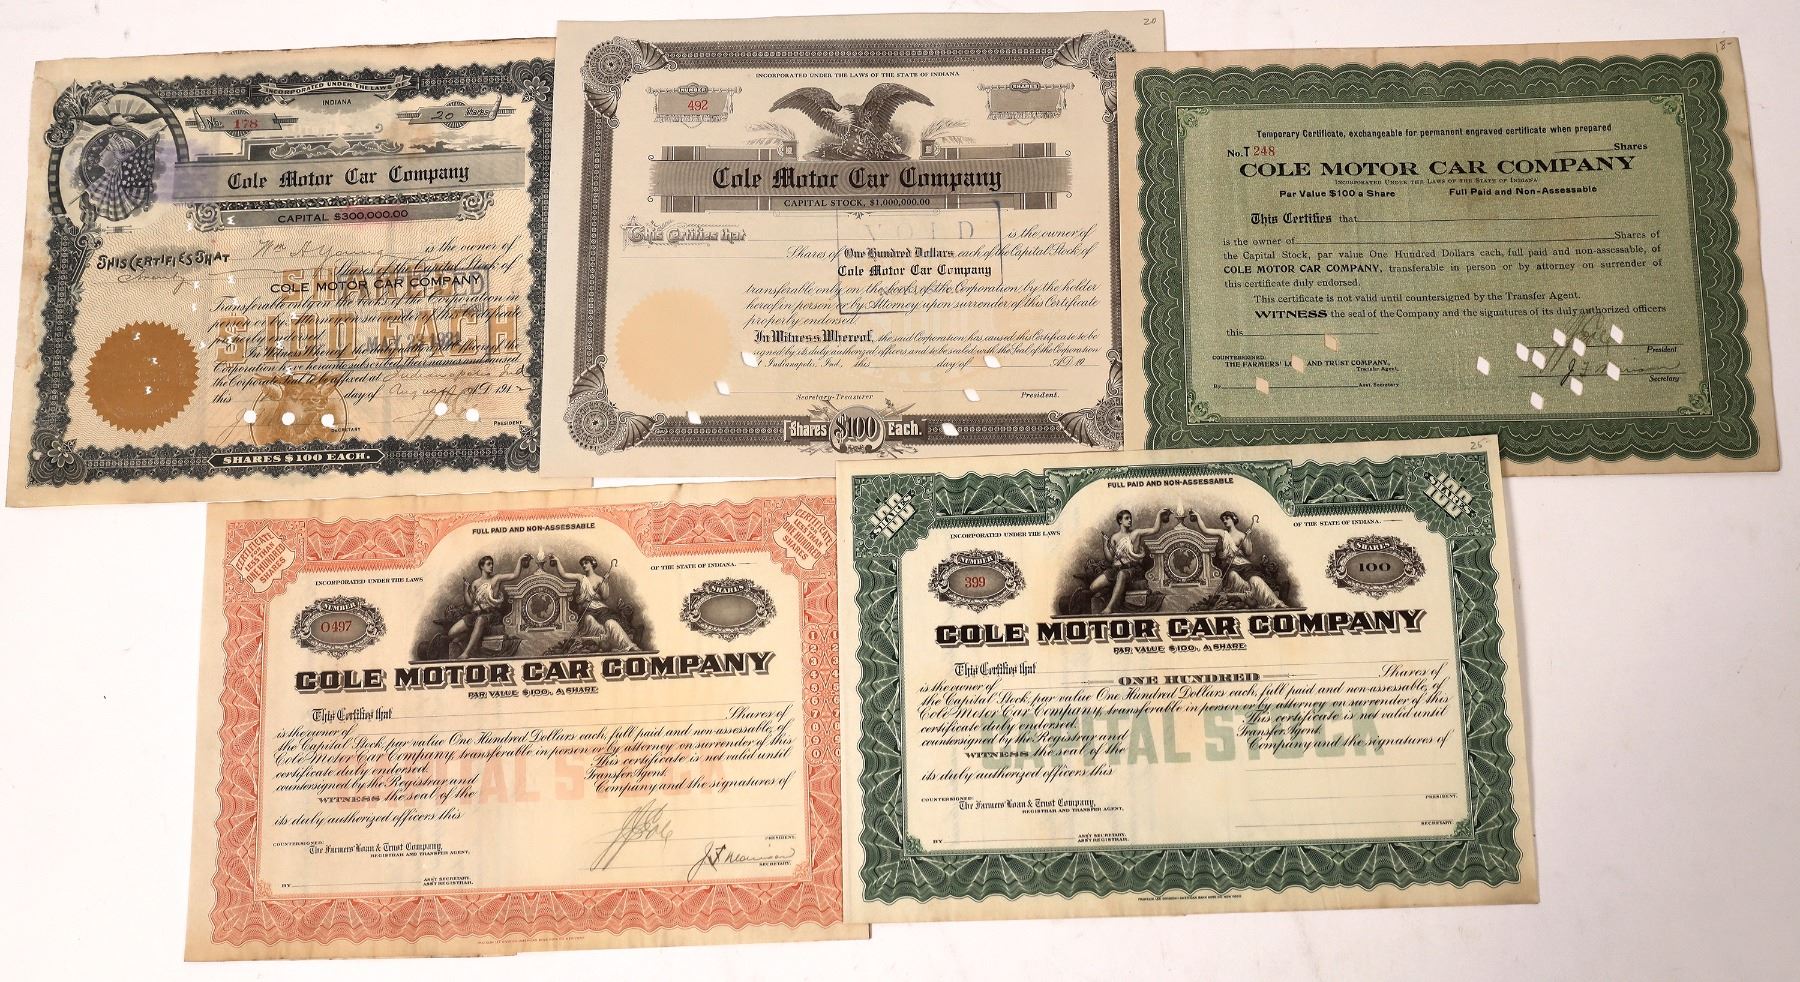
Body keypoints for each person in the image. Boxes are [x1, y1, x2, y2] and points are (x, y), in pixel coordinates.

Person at [546, 554, 639, 652]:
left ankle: (630, 646)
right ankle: (605, 638)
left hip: (601, 610)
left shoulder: (600, 579)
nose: (584, 565)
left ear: (592, 564)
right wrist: (557, 560)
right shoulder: (581, 578)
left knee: (611, 623)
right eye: (582, 564)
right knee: (589, 620)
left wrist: (605, 582)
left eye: (586, 563)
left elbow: (605, 596)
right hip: (588, 610)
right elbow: (564, 574)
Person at [1089, 508, 1171, 614]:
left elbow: (1155, 529)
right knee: (1093, 587)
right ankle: (1114, 591)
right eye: (1127, 518)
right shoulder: (1114, 537)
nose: (1130, 520)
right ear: (1120, 521)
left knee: (1122, 574)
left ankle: (1109, 607)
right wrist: (1105, 544)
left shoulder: (1136, 533)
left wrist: (1159, 514)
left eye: (1130, 518)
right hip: (1115, 569)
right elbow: (1110, 559)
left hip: (1131, 569)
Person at [445, 555, 529, 659]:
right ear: (482, 566)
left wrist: (520, 560)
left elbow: (515, 575)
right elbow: (470, 604)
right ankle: (472, 634)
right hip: (474, 614)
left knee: (480, 620)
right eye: (489, 564)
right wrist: (466, 591)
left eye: (492, 564)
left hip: (490, 614)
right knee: (451, 633)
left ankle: (466, 653)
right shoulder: (475, 583)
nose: (491, 566)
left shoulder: (496, 578)